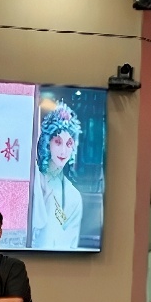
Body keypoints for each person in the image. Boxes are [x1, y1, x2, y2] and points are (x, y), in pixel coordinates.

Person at [30, 102, 84, 250]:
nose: (63, 151)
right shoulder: (34, 178)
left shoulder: (73, 196)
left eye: (69, 144)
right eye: (58, 142)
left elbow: (70, 246)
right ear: (47, 143)